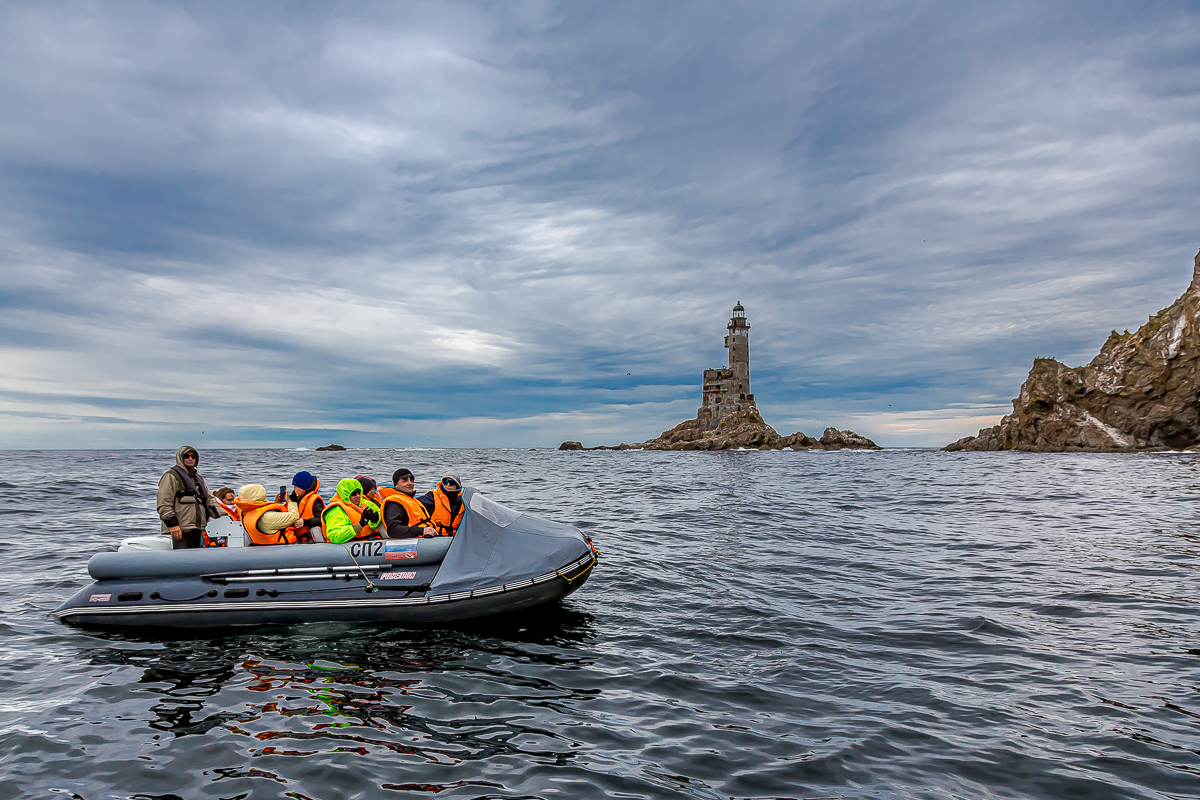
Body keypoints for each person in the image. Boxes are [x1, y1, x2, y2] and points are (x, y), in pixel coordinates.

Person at [156, 445, 221, 550]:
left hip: (198, 528)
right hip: (181, 528)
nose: (190, 459)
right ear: (180, 458)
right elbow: (164, 503)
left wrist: (222, 516)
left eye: (193, 456)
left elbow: (209, 499)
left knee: (197, 555)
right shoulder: (171, 476)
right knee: (181, 556)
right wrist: (173, 524)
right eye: (186, 456)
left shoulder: (198, 478)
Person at [234, 484, 304, 545]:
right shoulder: (266, 517)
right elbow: (294, 516)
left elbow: (262, 512)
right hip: (280, 547)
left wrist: (276, 504)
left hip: (262, 545)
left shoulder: (245, 512)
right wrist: (290, 502)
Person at [380, 468, 438, 539]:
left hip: (426, 537)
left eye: (411, 480)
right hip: (410, 541)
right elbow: (394, 530)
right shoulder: (394, 502)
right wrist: (422, 531)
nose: (410, 483)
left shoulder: (412, 500)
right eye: (404, 481)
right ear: (396, 485)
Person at [322, 478, 382, 544]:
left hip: (368, 541)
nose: (357, 496)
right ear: (345, 494)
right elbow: (336, 537)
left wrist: (374, 521)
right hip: (347, 545)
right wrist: (360, 524)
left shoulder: (363, 505)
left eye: (359, 493)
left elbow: (370, 527)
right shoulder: (335, 510)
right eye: (354, 494)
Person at [276, 471, 324, 541]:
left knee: (315, 528)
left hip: (311, 539)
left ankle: (321, 545)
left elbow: (323, 520)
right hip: (296, 539)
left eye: (296, 487)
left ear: (303, 488)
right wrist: (277, 504)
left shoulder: (315, 501)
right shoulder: (292, 500)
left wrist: (305, 522)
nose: (294, 489)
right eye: (293, 487)